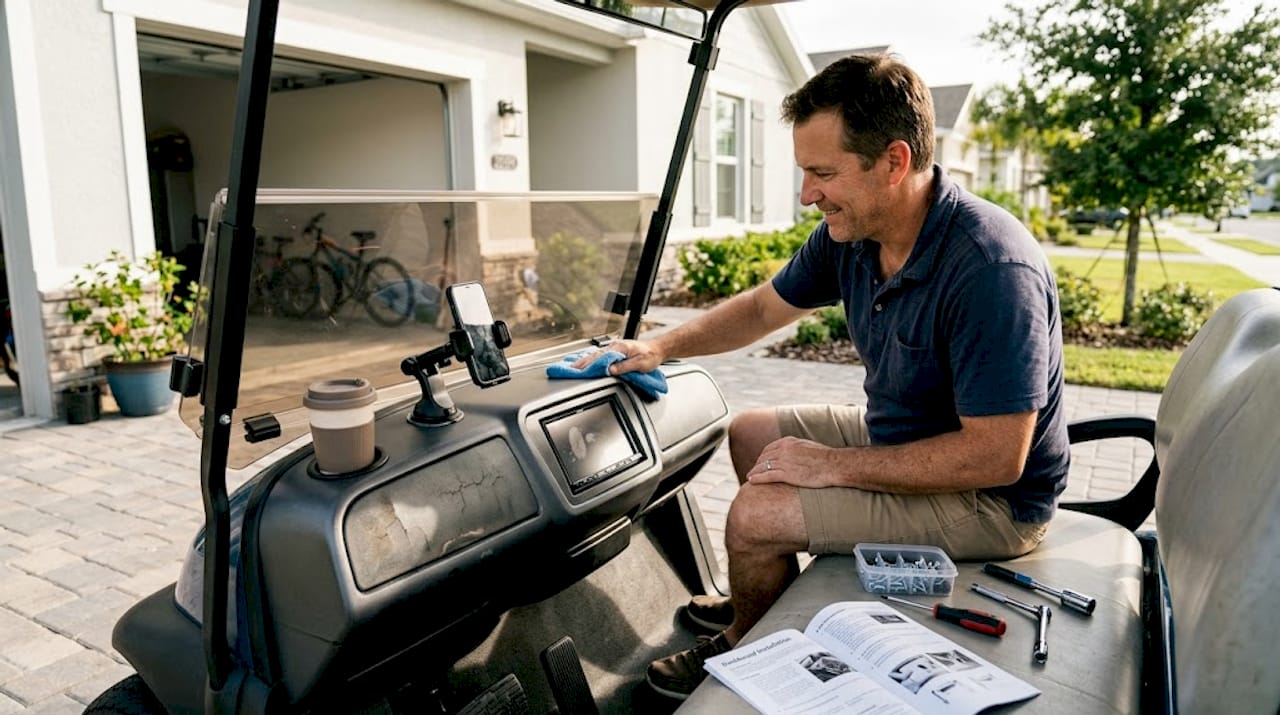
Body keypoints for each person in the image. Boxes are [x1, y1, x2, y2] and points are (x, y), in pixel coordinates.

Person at [576, 53, 1069, 700]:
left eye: (824, 173)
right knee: (751, 432)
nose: (808, 194)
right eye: (805, 172)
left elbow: (997, 457)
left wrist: (831, 467)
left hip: (995, 502)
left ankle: (744, 647)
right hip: (910, 438)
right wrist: (659, 346)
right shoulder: (854, 234)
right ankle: (767, 603)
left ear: (894, 162)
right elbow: (762, 309)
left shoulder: (990, 270)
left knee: (754, 517)